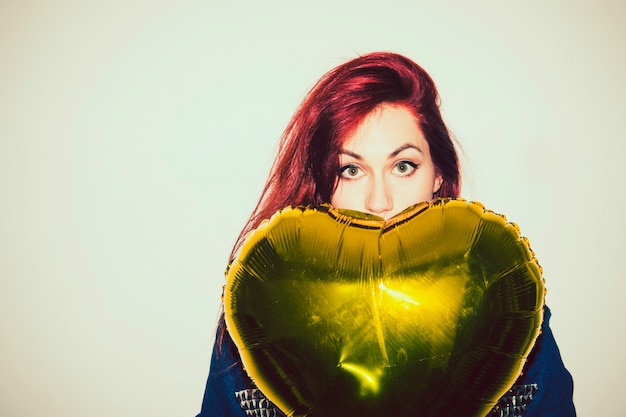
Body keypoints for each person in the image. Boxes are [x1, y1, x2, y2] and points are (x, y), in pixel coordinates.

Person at [196, 52, 576, 417]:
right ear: (322, 185)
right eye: (350, 170)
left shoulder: (505, 310)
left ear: (439, 175)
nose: (379, 201)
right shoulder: (262, 313)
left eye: (403, 165)